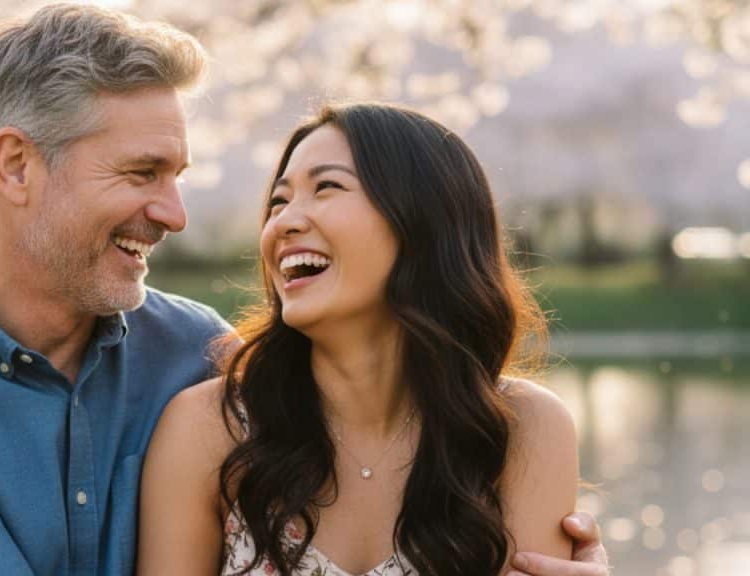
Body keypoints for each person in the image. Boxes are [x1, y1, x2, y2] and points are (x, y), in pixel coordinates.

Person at [0, 4, 609, 576]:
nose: (175, 215)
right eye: (143, 173)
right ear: (15, 166)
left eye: (178, 175)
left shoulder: (204, 359)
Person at [137, 103, 596, 576]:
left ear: (423, 220)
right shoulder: (211, 428)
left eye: (327, 187)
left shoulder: (522, 429)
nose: (285, 222)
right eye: (279, 201)